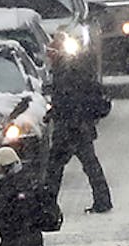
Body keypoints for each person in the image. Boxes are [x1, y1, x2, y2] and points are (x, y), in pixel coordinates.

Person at [42, 70, 113, 214]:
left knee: (54, 170)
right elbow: (100, 105)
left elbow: (59, 106)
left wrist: (52, 115)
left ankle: (48, 205)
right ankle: (103, 201)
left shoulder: (62, 81)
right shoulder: (86, 82)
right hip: (82, 131)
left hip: (66, 133)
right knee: (91, 167)